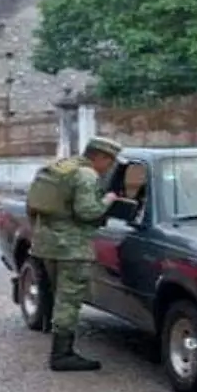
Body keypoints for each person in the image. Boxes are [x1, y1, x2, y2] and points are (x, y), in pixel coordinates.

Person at [26, 136, 123, 372]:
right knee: (68, 301)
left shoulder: (62, 168)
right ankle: (62, 355)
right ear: (99, 157)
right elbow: (88, 212)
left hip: (47, 244)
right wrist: (109, 199)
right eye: (109, 162)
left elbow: (35, 207)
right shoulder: (86, 175)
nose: (108, 167)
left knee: (59, 295)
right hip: (72, 248)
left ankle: (59, 345)